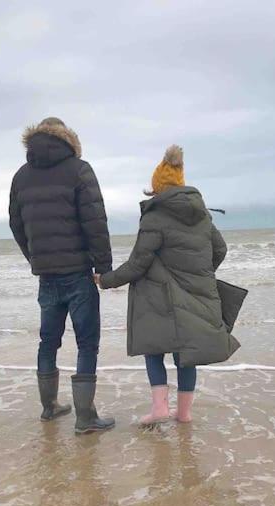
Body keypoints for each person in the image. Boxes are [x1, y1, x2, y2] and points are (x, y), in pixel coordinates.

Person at [97, 145, 240, 425]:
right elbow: (220, 249)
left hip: (159, 297)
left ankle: (160, 409)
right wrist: (199, 272)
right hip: (197, 293)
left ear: (157, 187)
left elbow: (138, 263)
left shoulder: (155, 217)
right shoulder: (202, 215)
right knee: (187, 355)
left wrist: (105, 280)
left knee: (154, 348)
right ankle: (184, 414)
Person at [9, 117, 115, 434]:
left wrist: (35, 258)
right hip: (78, 274)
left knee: (48, 341)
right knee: (86, 343)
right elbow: (95, 221)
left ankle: (49, 407)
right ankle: (85, 417)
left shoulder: (21, 176)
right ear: (68, 139)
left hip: (46, 274)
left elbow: (16, 225)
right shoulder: (79, 169)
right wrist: (104, 267)